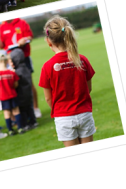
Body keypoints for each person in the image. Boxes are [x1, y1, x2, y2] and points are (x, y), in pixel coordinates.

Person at [39, 15, 96, 147]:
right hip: (85, 113)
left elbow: (48, 99)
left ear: (48, 41)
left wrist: (61, 111)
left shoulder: (47, 66)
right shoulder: (82, 59)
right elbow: (89, 89)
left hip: (63, 117)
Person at [0, 18, 42, 119]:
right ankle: (21, 112)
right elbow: (0, 46)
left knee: (29, 84)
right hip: (10, 60)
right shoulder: (1, 27)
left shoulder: (22, 22)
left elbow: (30, 37)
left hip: (24, 57)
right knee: (14, 85)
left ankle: (35, 108)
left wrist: (25, 39)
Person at [0, 52, 24, 136]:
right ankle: (20, 128)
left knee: (7, 113)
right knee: (16, 111)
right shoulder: (12, 72)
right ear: (6, 62)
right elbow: (16, 84)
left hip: (3, 97)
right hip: (12, 94)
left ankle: (10, 130)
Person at [8, 48, 38, 131]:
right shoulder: (26, 69)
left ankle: (25, 124)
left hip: (21, 95)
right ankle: (33, 121)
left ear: (15, 60)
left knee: (23, 110)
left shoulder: (17, 72)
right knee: (29, 108)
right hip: (28, 93)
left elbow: (16, 84)